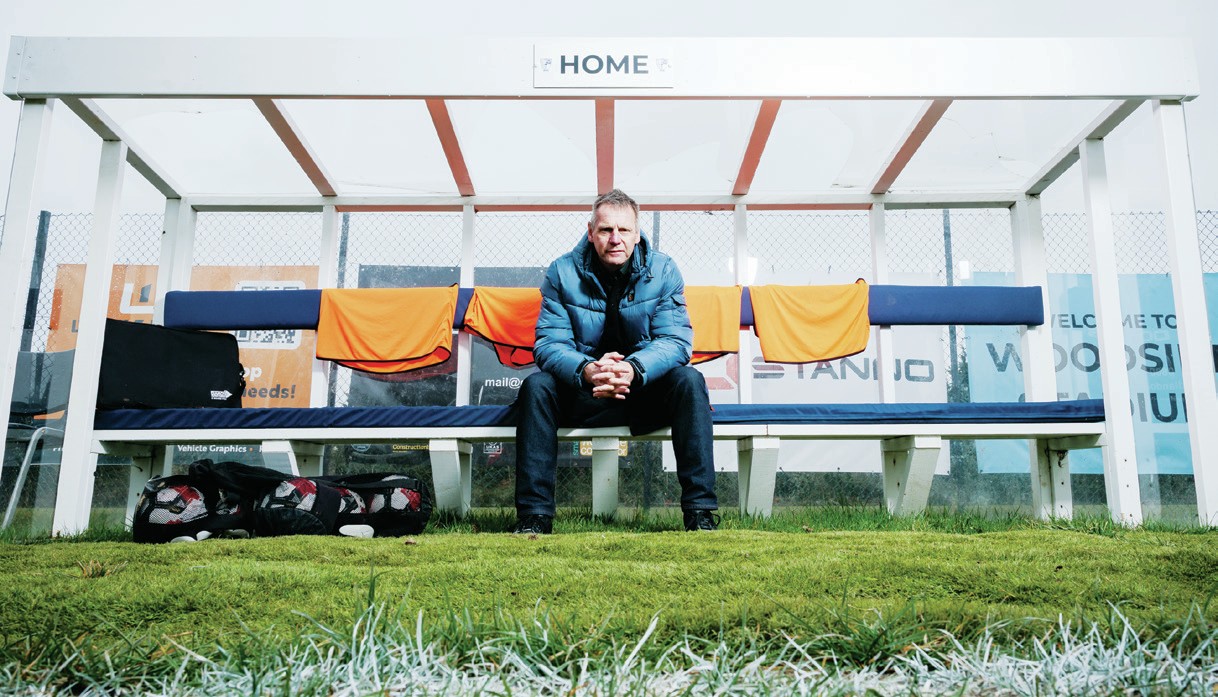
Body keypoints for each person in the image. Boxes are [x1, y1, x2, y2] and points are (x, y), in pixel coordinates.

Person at [511, 189, 719, 534]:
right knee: (537, 386)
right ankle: (534, 517)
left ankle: (700, 514)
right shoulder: (562, 272)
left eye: (624, 230)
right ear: (591, 231)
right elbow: (549, 345)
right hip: (583, 392)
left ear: (637, 234)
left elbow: (676, 342)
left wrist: (632, 369)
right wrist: (587, 370)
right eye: (606, 229)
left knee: (689, 380)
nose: (615, 239)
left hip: (643, 392)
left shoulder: (663, 269)